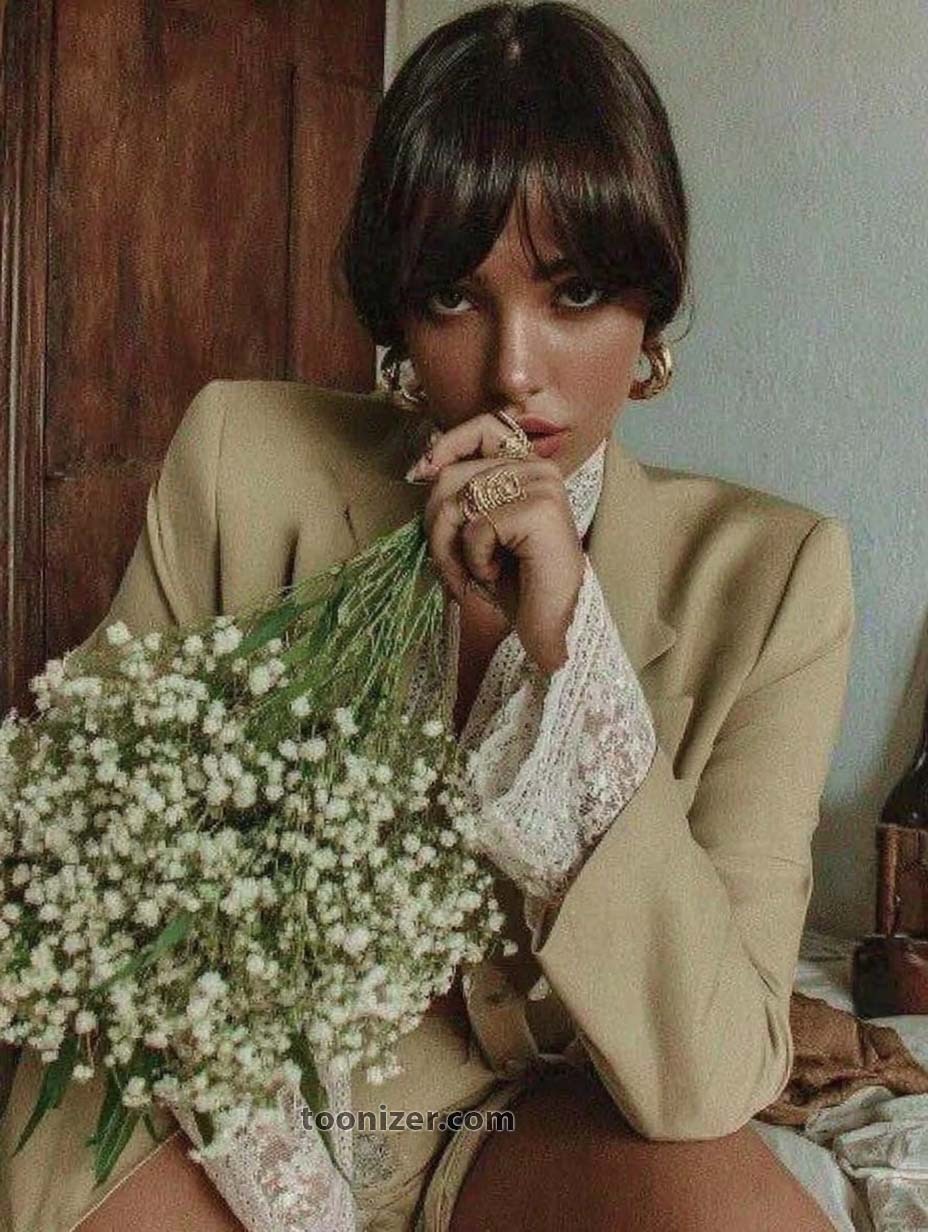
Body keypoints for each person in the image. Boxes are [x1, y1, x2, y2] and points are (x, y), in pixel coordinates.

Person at [0, 3, 853, 1229]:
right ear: (397, 320)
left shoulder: (772, 578)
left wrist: (568, 653)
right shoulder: (240, 454)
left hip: (506, 1120)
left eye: (576, 293)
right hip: (214, 1093)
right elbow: (97, 860)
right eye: (456, 296)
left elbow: (706, 1075)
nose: (515, 367)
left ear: (649, 313)